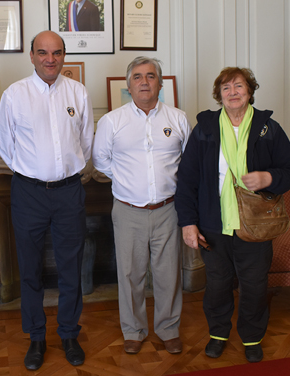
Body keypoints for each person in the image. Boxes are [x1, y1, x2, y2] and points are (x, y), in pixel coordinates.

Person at [175, 67, 290, 363]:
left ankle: (252, 337)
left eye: (239, 86)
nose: (232, 92)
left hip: (255, 225)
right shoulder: (205, 128)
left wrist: (268, 178)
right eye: (226, 87)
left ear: (250, 91)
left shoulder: (269, 129)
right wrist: (188, 223)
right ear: (219, 94)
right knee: (217, 285)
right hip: (214, 225)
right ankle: (218, 334)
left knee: (254, 286)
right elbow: (187, 179)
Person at [0, 30, 94, 370]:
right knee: (30, 270)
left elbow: (86, 141)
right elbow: (5, 146)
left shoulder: (77, 92)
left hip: (69, 192)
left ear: (64, 55)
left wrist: (63, 171)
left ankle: (68, 334)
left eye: (56, 52)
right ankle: (36, 338)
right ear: (32, 55)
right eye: (42, 52)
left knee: (70, 268)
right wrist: (33, 171)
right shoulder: (15, 95)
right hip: (29, 193)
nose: (50, 59)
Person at [93, 57, 190, 355]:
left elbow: (189, 163)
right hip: (128, 210)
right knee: (130, 274)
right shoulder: (112, 121)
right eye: (138, 77)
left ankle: (168, 328)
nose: (144, 81)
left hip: (168, 210)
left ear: (160, 83)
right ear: (129, 84)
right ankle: (133, 330)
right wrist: (128, 182)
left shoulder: (178, 119)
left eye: (150, 76)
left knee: (168, 274)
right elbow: (100, 162)